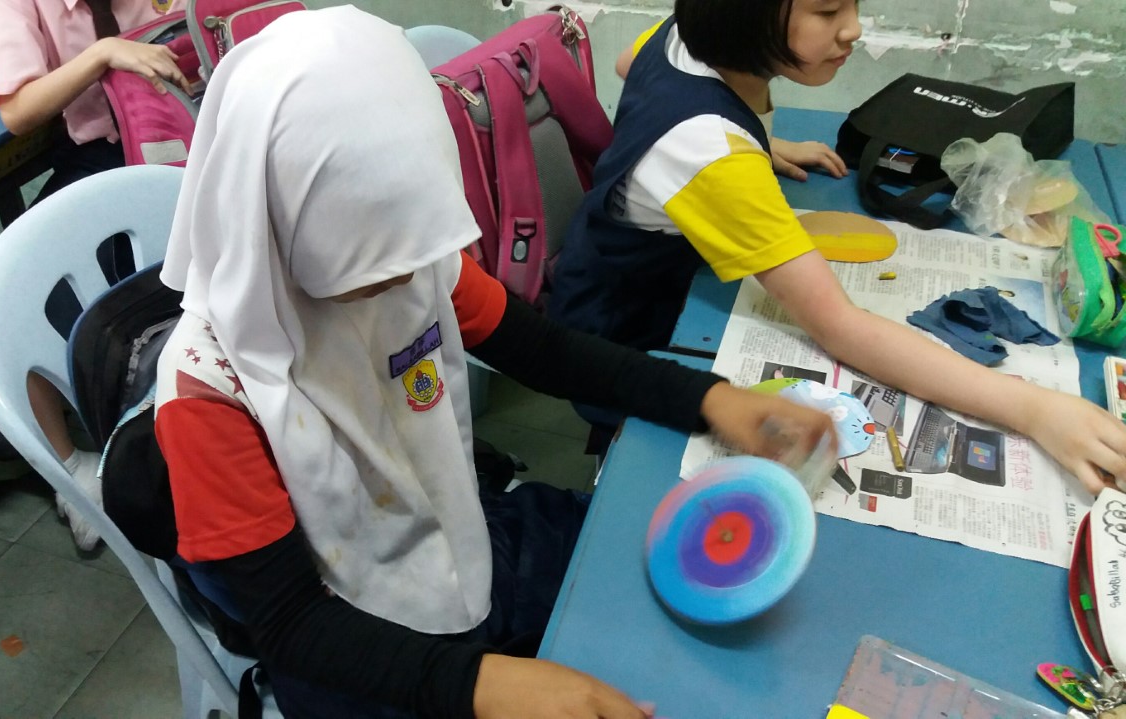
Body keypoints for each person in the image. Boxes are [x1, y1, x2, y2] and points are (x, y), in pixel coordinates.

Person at [152, 7, 837, 717]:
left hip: (455, 543)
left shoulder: (411, 264)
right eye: (368, 257)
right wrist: (483, 684)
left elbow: (545, 351)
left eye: (411, 245)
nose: (404, 277)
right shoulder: (209, 395)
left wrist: (710, 397)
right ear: (281, 213)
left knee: (643, 554)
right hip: (348, 646)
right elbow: (291, 624)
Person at [547, 0, 1126, 495]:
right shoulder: (711, 158)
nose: (853, 28)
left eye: (852, 3)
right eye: (826, 11)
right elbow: (839, 326)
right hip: (624, 334)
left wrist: (757, 141)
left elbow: (630, 66)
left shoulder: (685, 31)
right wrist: (1035, 409)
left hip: (609, 267)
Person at [0, 0, 191, 548]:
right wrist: (102, 54)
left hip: (185, 130)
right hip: (104, 152)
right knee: (22, 301)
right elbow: (17, 111)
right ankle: (73, 469)